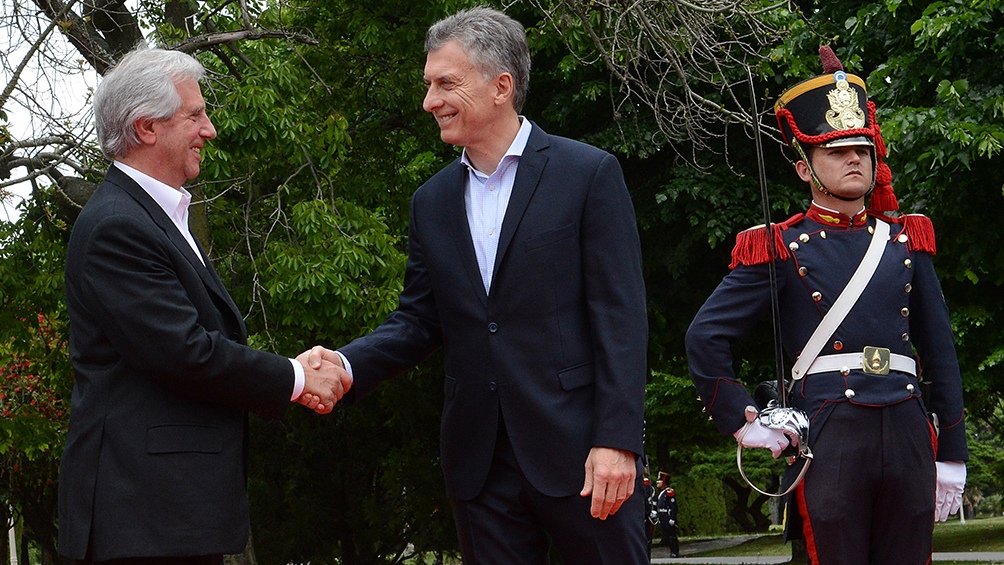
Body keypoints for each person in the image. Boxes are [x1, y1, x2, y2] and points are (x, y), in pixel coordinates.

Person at [307, 6, 649, 564]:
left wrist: (616, 440)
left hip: (585, 457)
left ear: (501, 86)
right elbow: (418, 321)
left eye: (446, 83)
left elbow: (622, 317)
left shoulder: (588, 174)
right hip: (479, 464)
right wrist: (345, 366)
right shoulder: (431, 202)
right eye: (428, 85)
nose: (430, 101)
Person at [57, 46, 351, 565]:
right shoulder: (116, 227)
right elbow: (186, 353)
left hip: (167, 519)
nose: (209, 129)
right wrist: (296, 377)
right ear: (147, 128)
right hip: (143, 522)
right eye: (195, 115)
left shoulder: (153, 216)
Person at [685, 46, 968, 564]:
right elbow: (705, 337)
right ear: (803, 168)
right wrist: (746, 422)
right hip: (829, 431)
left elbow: (941, 352)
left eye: (861, 148)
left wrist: (952, 451)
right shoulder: (779, 245)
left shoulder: (906, 240)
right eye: (836, 151)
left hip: (907, 425)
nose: (854, 159)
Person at [655, 473, 679, 558]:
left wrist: (672, 518)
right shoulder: (661, 493)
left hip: (667, 516)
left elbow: (673, 506)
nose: (657, 482)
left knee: (671, 535)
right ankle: (672, 551)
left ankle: (674, 551)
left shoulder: (669, 492)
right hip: (662, 516)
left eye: (659, 480)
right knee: (667, 535)